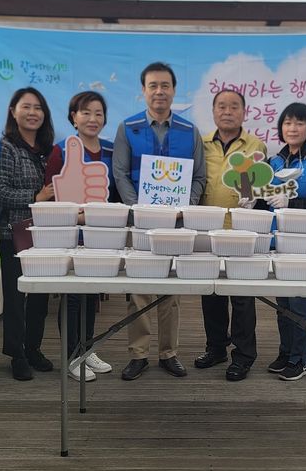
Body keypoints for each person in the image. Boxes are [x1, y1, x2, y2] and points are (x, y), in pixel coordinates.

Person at [112, 62, 206, 380]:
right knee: (139, 288)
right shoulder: (128, 128)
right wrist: (138, 208)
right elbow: (120, 174)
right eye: (153, 85)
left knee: (171, 290)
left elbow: (199, 177)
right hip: (140, 222)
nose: (159, 91)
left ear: (174, 90)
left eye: (165, 85)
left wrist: (186, 207)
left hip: (177, 223)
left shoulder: (189, 131)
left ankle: (169, 352)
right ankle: (138, 354)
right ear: (143, 90)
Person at [194, 90, 267, 381]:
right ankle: (216, 348)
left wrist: (254, 197)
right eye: (221, 106)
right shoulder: (201, 144)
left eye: (234, 106)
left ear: (244, 112)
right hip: (206, 230)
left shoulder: (255, 145)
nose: (227, 111)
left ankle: (244, 355)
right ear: (213, 112)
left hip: (241, 231)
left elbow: (260, 185)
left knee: (242, 296)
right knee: (210, 293)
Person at [45, 91, 116, 382]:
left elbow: (118, 194)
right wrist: (79, 215)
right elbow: (50, 199)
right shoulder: (61, 151)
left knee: (91, 294)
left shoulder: (111, 151)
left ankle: (86, 350)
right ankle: (71, 357)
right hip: (71, 235)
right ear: (73, 117)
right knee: (72, 295)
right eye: (85, 112)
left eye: (98, 113)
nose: (92, 119)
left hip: (101, 237)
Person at [0, 87, 55, 381]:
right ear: (13, 111)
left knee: (40, 297)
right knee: (16, 297)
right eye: (26, 107)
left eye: (38, 108)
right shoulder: (6, 147)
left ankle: (33, 349)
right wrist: (35, 197)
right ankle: (16, 354)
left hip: (44, 235)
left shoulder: (47, 150)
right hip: (14, 234)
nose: (32, 113)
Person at [265, 102, 306, 381]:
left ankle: (301, 359)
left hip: (304, 244)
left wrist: (291, 202)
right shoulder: (273, 162)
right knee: (283, 304)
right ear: (281, 127)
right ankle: (286, 352)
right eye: (288, 122)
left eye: (299, 123)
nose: (293, 128)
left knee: (300, 302)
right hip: (278, 242)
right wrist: (250, 200)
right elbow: (264, 199)